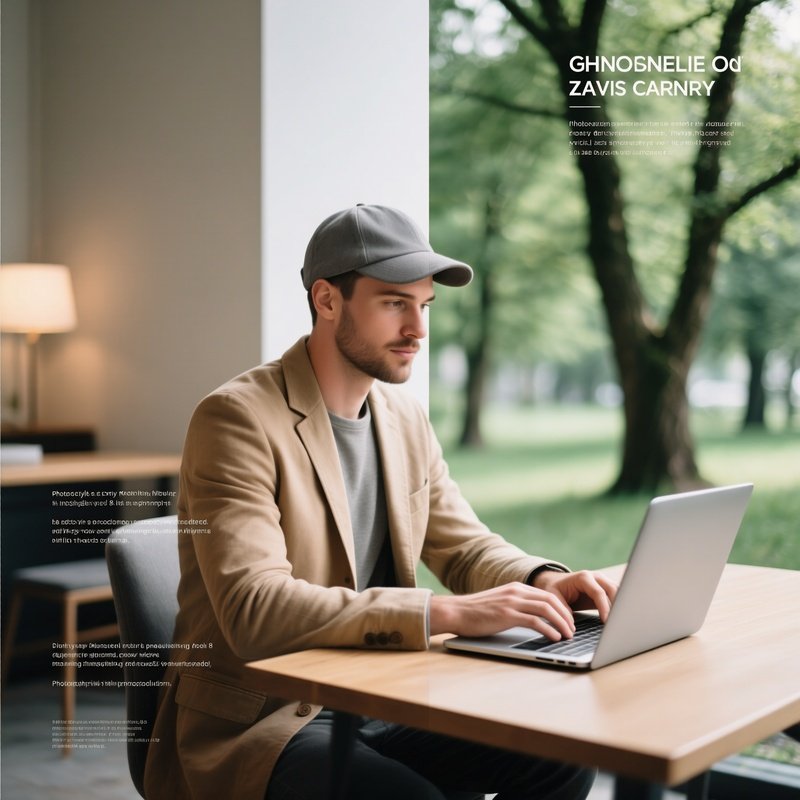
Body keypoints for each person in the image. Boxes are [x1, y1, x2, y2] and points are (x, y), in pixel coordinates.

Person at [144, 204, 617, 800]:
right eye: (395, 303)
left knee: (561, 756)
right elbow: (254, 608)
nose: (417, 330)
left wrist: (542, 578)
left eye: (424, 307)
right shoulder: (236, 419)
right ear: (327, 301)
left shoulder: (403, 417)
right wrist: (442, 613)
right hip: (269, 718)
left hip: (387, 695)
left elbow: (463, 546)